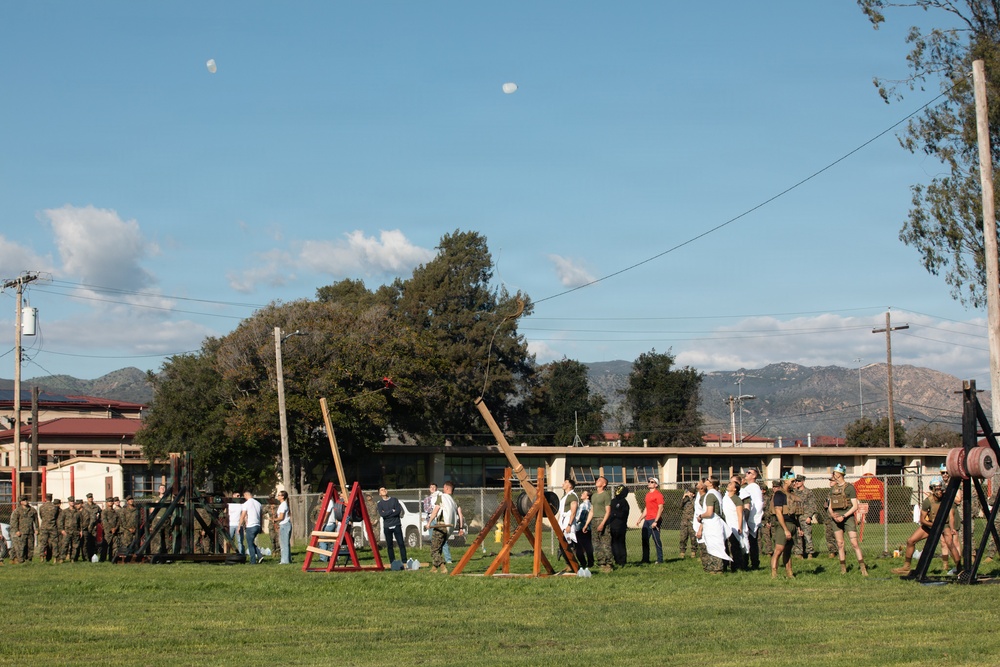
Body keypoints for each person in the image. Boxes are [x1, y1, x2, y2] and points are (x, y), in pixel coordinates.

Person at [892, 477, 961, 576]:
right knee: (910, 541)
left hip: (944, 525)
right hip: (931, 525)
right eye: (936, 489)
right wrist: (933, 525)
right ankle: (906, 566)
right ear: (932, 489)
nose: (939, 491)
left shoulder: (947, 499)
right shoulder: (928, 501)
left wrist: (952, 528)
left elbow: (951, 515)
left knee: (950, 543)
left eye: (940, 488)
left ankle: (959, 567)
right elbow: (922, 520)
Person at [827, 464, 868, 576]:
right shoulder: (833, 489)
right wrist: (833, 515)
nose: (833, 475)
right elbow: (830, 506)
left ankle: (863, 568)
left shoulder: (849, 488)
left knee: (854, 543)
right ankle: (843, 569)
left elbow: (855, 506)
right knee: (840, 544)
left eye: (834, 473)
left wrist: (844, 516)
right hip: (836, 518)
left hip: (847, 517)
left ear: (839, 474)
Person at [696, 477, 731, 574]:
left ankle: (717, 569)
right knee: (717, 544)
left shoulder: (710, 495)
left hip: (712, 523)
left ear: (711, 484)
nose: (705, 481)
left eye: (708, 480)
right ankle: (719, 568)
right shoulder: (717, 493)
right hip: (717, 522)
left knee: (714, 545)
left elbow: (709, 512)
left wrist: (700, 516)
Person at [425, 481, 457, 573]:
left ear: (446, 488)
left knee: (434, 549)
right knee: (438, 548)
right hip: (447, 528)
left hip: (440, 526)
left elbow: (435, 510)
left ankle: (442, 567)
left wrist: (429, 523)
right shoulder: (453, 501)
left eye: (444, 488)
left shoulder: (442, 497)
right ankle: (434, 568)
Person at [771, 473, 796, 579]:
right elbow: (778, 512)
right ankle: (774, 574)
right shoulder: (779, 494)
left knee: (788, 551)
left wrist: (798, 527)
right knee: (778, 550)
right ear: (786, 481)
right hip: (783, 525)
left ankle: (790, 573)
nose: (794, 483)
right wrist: (785, 529)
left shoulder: (790, 494)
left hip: (792, 524)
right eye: (792, 481)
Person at [739, 468, 764, 569]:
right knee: (749, 542)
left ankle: (754, 563)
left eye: (749, 473)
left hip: (751, 519)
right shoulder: (748, 487)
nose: (746, 474)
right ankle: (749, 562)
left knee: (751, 543)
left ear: (754, 476)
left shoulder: (754, 487)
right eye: (746, 472)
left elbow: (757, 505)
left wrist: (753, 519)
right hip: (748, 518)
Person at [636, 477, 664, 564]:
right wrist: (640, 518)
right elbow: (647, 508)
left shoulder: (658, 495)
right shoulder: (648, 495)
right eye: (649, 481)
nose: (649, 483)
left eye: (652, 482)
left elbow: (661, 508)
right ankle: (645, 559)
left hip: (654, 519)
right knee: (644, 539)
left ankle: (660, 559)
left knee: (656, 539)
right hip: (647, 519)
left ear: (656, 485)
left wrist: (656, 521)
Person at [376, 486, 406, 565]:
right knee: (389, 545)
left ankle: (404, 561)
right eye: (382, 490)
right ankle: (392, 562)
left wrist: (389, 512)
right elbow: (382, 514)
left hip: (396, 524)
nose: (384, 491)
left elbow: (398, 511)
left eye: (385, 489)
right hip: (387, 526)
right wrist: (391, 511)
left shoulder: (394, 500)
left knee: (401, 543)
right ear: (380, 494)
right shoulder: (380, 504)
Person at [723, 478, 747, 572]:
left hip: (735, 525)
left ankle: (738, 566)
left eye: (731, 484)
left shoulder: (737, 500)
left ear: (735, 489)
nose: (728, 484)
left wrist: (739, 527)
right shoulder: (725, 498)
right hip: (727, 524)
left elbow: (739, 514)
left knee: (736, 546)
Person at [791, 475, 818, 559]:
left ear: (803, 481)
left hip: (805, 516)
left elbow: (813, 505)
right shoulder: (794, 493)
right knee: (797, 536)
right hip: (796, 517)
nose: (797, 483)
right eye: (796, 481)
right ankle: (799, 553)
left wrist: (809, 517)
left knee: (807, 536)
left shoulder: (808, 492)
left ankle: (810, 553)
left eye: (799, 481)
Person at [591, 475, 614, 573]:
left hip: (602, 519)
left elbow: (608, 511)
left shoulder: (606, 495)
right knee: (596, 543)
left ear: (604, 484)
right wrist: (586, 524)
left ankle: (609, 564)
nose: (597, 481)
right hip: (594, 520)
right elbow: (591, 510)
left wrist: (602, 524)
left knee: (605, 543)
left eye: (600, 480)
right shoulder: (594, 495)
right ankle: (601, 563)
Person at [557, 479, 580, 561]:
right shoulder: (564, 497)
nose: (563, 483)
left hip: (568, 522)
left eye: (566, 482)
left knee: (569, 542)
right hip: (562, 522)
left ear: (570, 485)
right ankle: (568, 563)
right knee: (562, 543)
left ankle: (574, 563)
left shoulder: (572, 496)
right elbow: (561, 511)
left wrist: (569, 525)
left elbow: (573, 512)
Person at [608, 485, 630, 567]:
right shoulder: (613, 501)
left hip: (620, 526)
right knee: (613, 543)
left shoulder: (624, 502)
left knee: (620, 543)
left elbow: (623, 514)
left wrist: (615, 514)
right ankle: (616, 559)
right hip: (612, 525)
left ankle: (622, 560)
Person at [10, 497, 36, 563]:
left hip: (30, 532)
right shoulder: (17, 511)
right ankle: (21, 561)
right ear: (21, 502)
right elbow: (14, 521)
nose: (26, 501)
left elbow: (36, 520)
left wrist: (37, 529)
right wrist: (16, 530)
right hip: (22, 532)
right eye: (24, 500)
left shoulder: (32, 510)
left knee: (30, 547)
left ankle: (29, 560)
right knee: (21, 547)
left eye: (26, 500)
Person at [240, 491, 263, 564]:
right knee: (251, 542)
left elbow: (243, 515)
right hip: (257, 525)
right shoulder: (258, 503)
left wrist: (239, 525)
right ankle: (259, 555)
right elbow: (261, 516)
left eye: (244, 496)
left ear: (246, 495)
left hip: (251, 525)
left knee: (250, 544)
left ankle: (253, 561)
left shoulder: (246, 504)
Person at [573, 490, 595, 569]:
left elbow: (580, 517)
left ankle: (583, 563)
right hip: (587, 527)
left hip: (581, 527)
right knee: (588, 546)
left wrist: (574, 520)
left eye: (584, 493)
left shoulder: (584, 505)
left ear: (588, 496)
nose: (581, 494)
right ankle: (590, 562)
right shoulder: (590, 505)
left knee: (579, 547)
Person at [37, 494, 59, 562]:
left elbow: (41, 516)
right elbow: (56, 516)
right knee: (54, 543)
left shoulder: (42, 507)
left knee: (43, 542)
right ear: (51, 499)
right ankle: (55, 558)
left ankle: (42, 557)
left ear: (45, 499)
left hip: (44, 526)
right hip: (52, 526)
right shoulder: (55, 507)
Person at [678, 485, 698, 559]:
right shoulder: (685, 500)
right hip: (684, 521)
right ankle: (682, 552)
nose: (688, 493)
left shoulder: (695, 500)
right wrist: (683, 498)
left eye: (690, 492)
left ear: (693, 494)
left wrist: (691, 498)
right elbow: (680, 507)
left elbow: (695, 507)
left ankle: (693, 552)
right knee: (683, 537)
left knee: (693, 538)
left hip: (692, 521)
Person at [82, 493, 101, 561]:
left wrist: (98, 520)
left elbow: (101, 514)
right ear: (87, 499)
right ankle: (86, 557)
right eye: (89, 497)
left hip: (94, 528)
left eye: (91, 497)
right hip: (86, 527)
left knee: (93, 543)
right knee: (86, 543)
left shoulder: (96, 507)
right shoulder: (84, 506)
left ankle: (93, 556)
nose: (90, 499)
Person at [275, 490, 292, 564]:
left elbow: (281, 517)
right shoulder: (283, 504)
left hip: (284, 525)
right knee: (285, 543)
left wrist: (274, 520)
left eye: (279, 495)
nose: (277, 496)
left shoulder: (283, 505)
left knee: (284, 544)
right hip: (284, 525)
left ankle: (284, 561)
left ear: (282, 497)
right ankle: (288, 559)